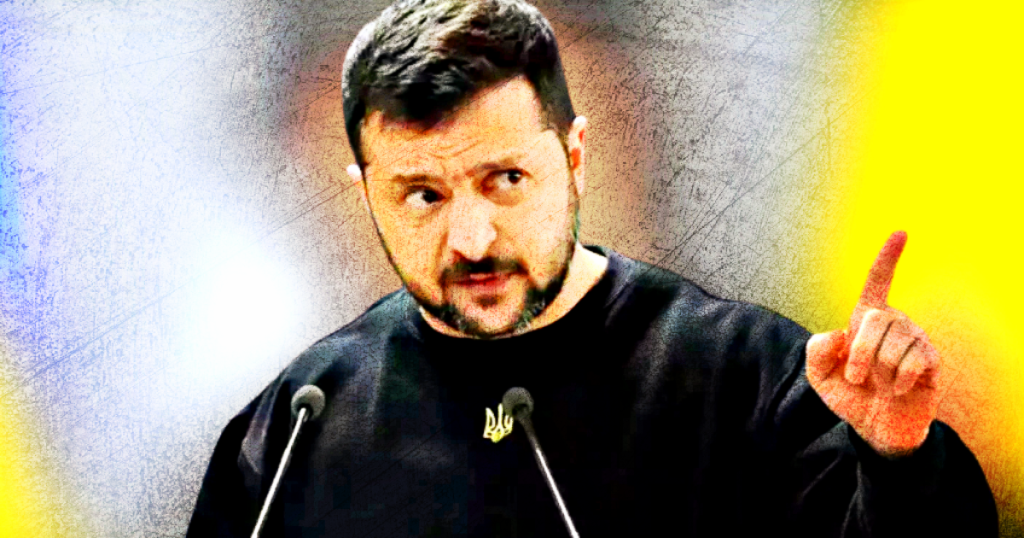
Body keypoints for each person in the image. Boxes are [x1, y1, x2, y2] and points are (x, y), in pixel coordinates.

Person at [186, 0, 997, 536]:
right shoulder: (285, 444)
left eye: (504, 167)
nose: (473, 232)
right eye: (423, 181)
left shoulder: (765, 382)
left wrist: (900, 464)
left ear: (591, 131)